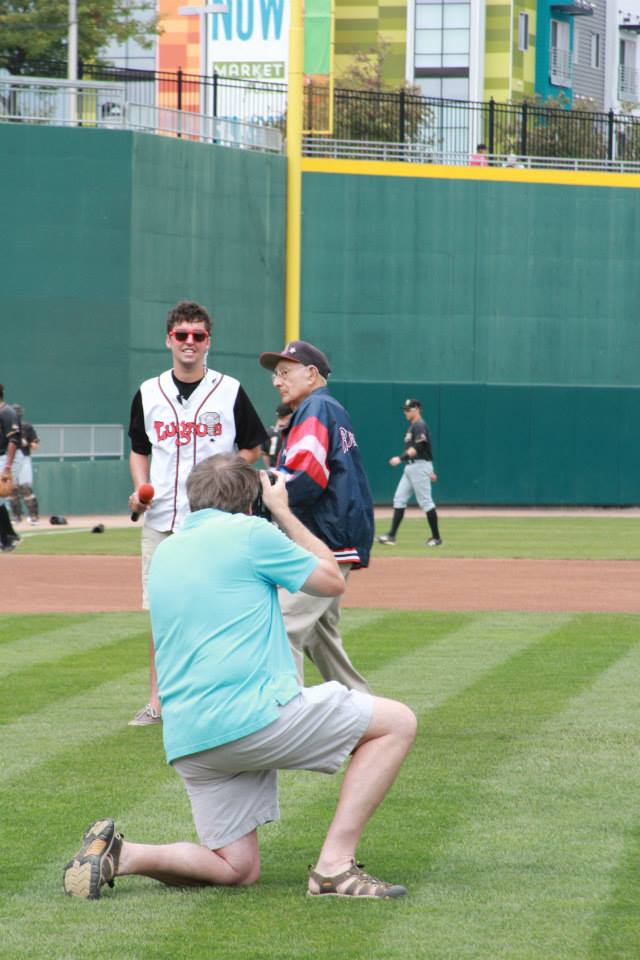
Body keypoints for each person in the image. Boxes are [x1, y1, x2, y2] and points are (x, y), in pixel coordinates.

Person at [63, 455, 416, 901]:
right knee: (397, 722)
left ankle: (122, 854)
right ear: (251, 502)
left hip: (191, 741)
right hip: (251, 721)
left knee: (237, 869)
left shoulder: (168, 549)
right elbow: (331, 578)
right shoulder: (251, 533)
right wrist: (284, 511)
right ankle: (333, 868)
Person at [127, 300, 268, 726]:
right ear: (168, 339)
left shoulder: (229, 389)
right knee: (161, 611)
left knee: (219, 607)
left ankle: (219, 698)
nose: (190, 343)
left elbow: (252, 447)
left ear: (209, 342)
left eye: (198, 336)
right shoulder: (149, 392)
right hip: (161, 521)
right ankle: (158, 702)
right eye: (182, 335)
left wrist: (226, 479)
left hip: (215, 522)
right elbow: (139, 450)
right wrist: (139, 489)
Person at [258, 340, 373, 693]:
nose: (277, 381)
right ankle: (364, 711)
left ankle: (288, 717)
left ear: (311, 373)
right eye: (275, 374)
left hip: (323, 539)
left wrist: (259, 495)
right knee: (318, 638)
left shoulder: (316, 407)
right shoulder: (326, 408)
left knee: (280, 627)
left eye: (284, 372)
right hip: (335, 534)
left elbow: (306, 477)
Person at [377, 399, 442, 547]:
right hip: (413, 467)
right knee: (399, 499)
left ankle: (436, 538)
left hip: (419, 466)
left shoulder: (419, 425)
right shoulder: (413, 426)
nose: (405, 412)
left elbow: (419, 447)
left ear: (417, 409)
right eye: (405, 409)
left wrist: (400, 458)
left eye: (409, 409)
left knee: (425, 502)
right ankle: (392, 536)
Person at [9, 404, 40, 524]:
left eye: (17, 413)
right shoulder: (6, 427)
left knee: (25, 487)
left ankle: (34, 516)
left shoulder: (27, 427)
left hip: (23, 458)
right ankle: (17, 517)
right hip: (10, 459)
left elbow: (35, 445)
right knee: (12, 489)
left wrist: (25, 442)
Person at [0, 384, 21, 553]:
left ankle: (7, 539)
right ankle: (9, 537)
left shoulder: (7, 412)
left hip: (4, 457)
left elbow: (13, 441)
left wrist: (7, 466)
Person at [261, 402, 293, 468]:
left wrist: (269, 468)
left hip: (273, 469)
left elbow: (265, 454)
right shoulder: (292, 430)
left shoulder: (269, 432)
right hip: (288, 470)